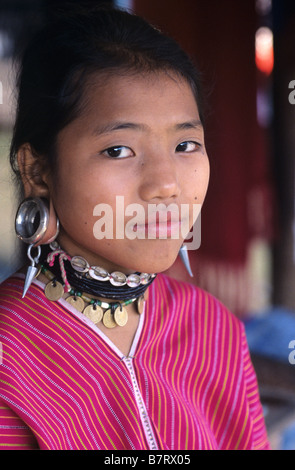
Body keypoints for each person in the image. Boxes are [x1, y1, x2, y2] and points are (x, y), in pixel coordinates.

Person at [0, 5, 270, 450]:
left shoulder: (213, 328)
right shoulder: (12, 356)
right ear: (38, 171)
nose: (166, 184)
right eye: (119, 150)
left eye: (186, 144)